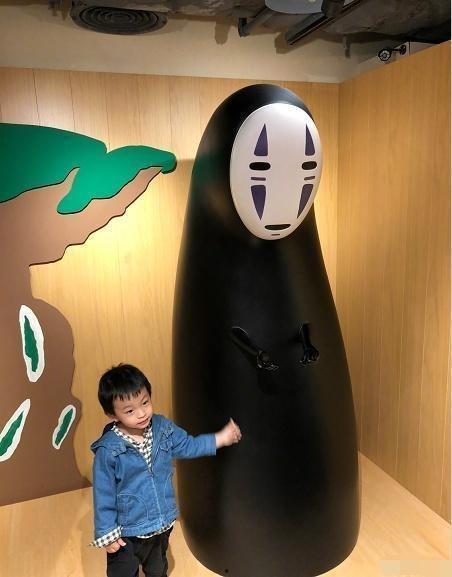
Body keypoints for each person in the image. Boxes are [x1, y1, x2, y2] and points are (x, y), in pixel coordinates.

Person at [91, 363, 241, 577]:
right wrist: (107, 532)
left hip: (161, 523)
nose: (141, 413)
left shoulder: (163, 429)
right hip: (127, 531)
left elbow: (188, 445)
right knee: (122, 572)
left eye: (145, 402)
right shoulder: (109, 451)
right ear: (112, 415)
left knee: (158, 568)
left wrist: (219, 439)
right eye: (130, 411)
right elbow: (103, 493)